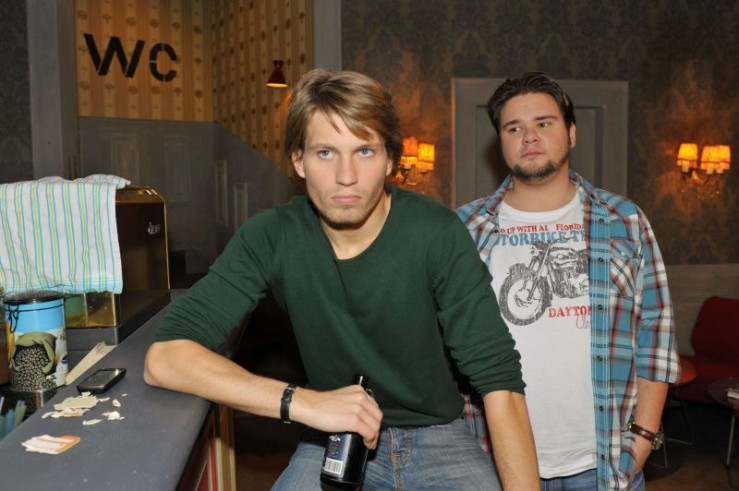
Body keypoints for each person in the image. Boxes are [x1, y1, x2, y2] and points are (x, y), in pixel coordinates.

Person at [144, 69, 538, 489]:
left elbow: (500, 382)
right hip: (330, 432)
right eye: (326, 153)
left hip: (439, 436)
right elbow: (165, 358)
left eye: (364, 151)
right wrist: (302, 402)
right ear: (299, 160)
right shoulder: (272, 236)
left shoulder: (436, 232)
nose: (346, 176)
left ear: (390, 159)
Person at [457, 71, 681, 490]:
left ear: (571, 133)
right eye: (513, 128)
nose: (529, 136)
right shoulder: (464, 228)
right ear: (500, 141)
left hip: (603, 463)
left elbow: (656, 333)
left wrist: (643, 437)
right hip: (492, 462)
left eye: (543, 123)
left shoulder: (624, 221)